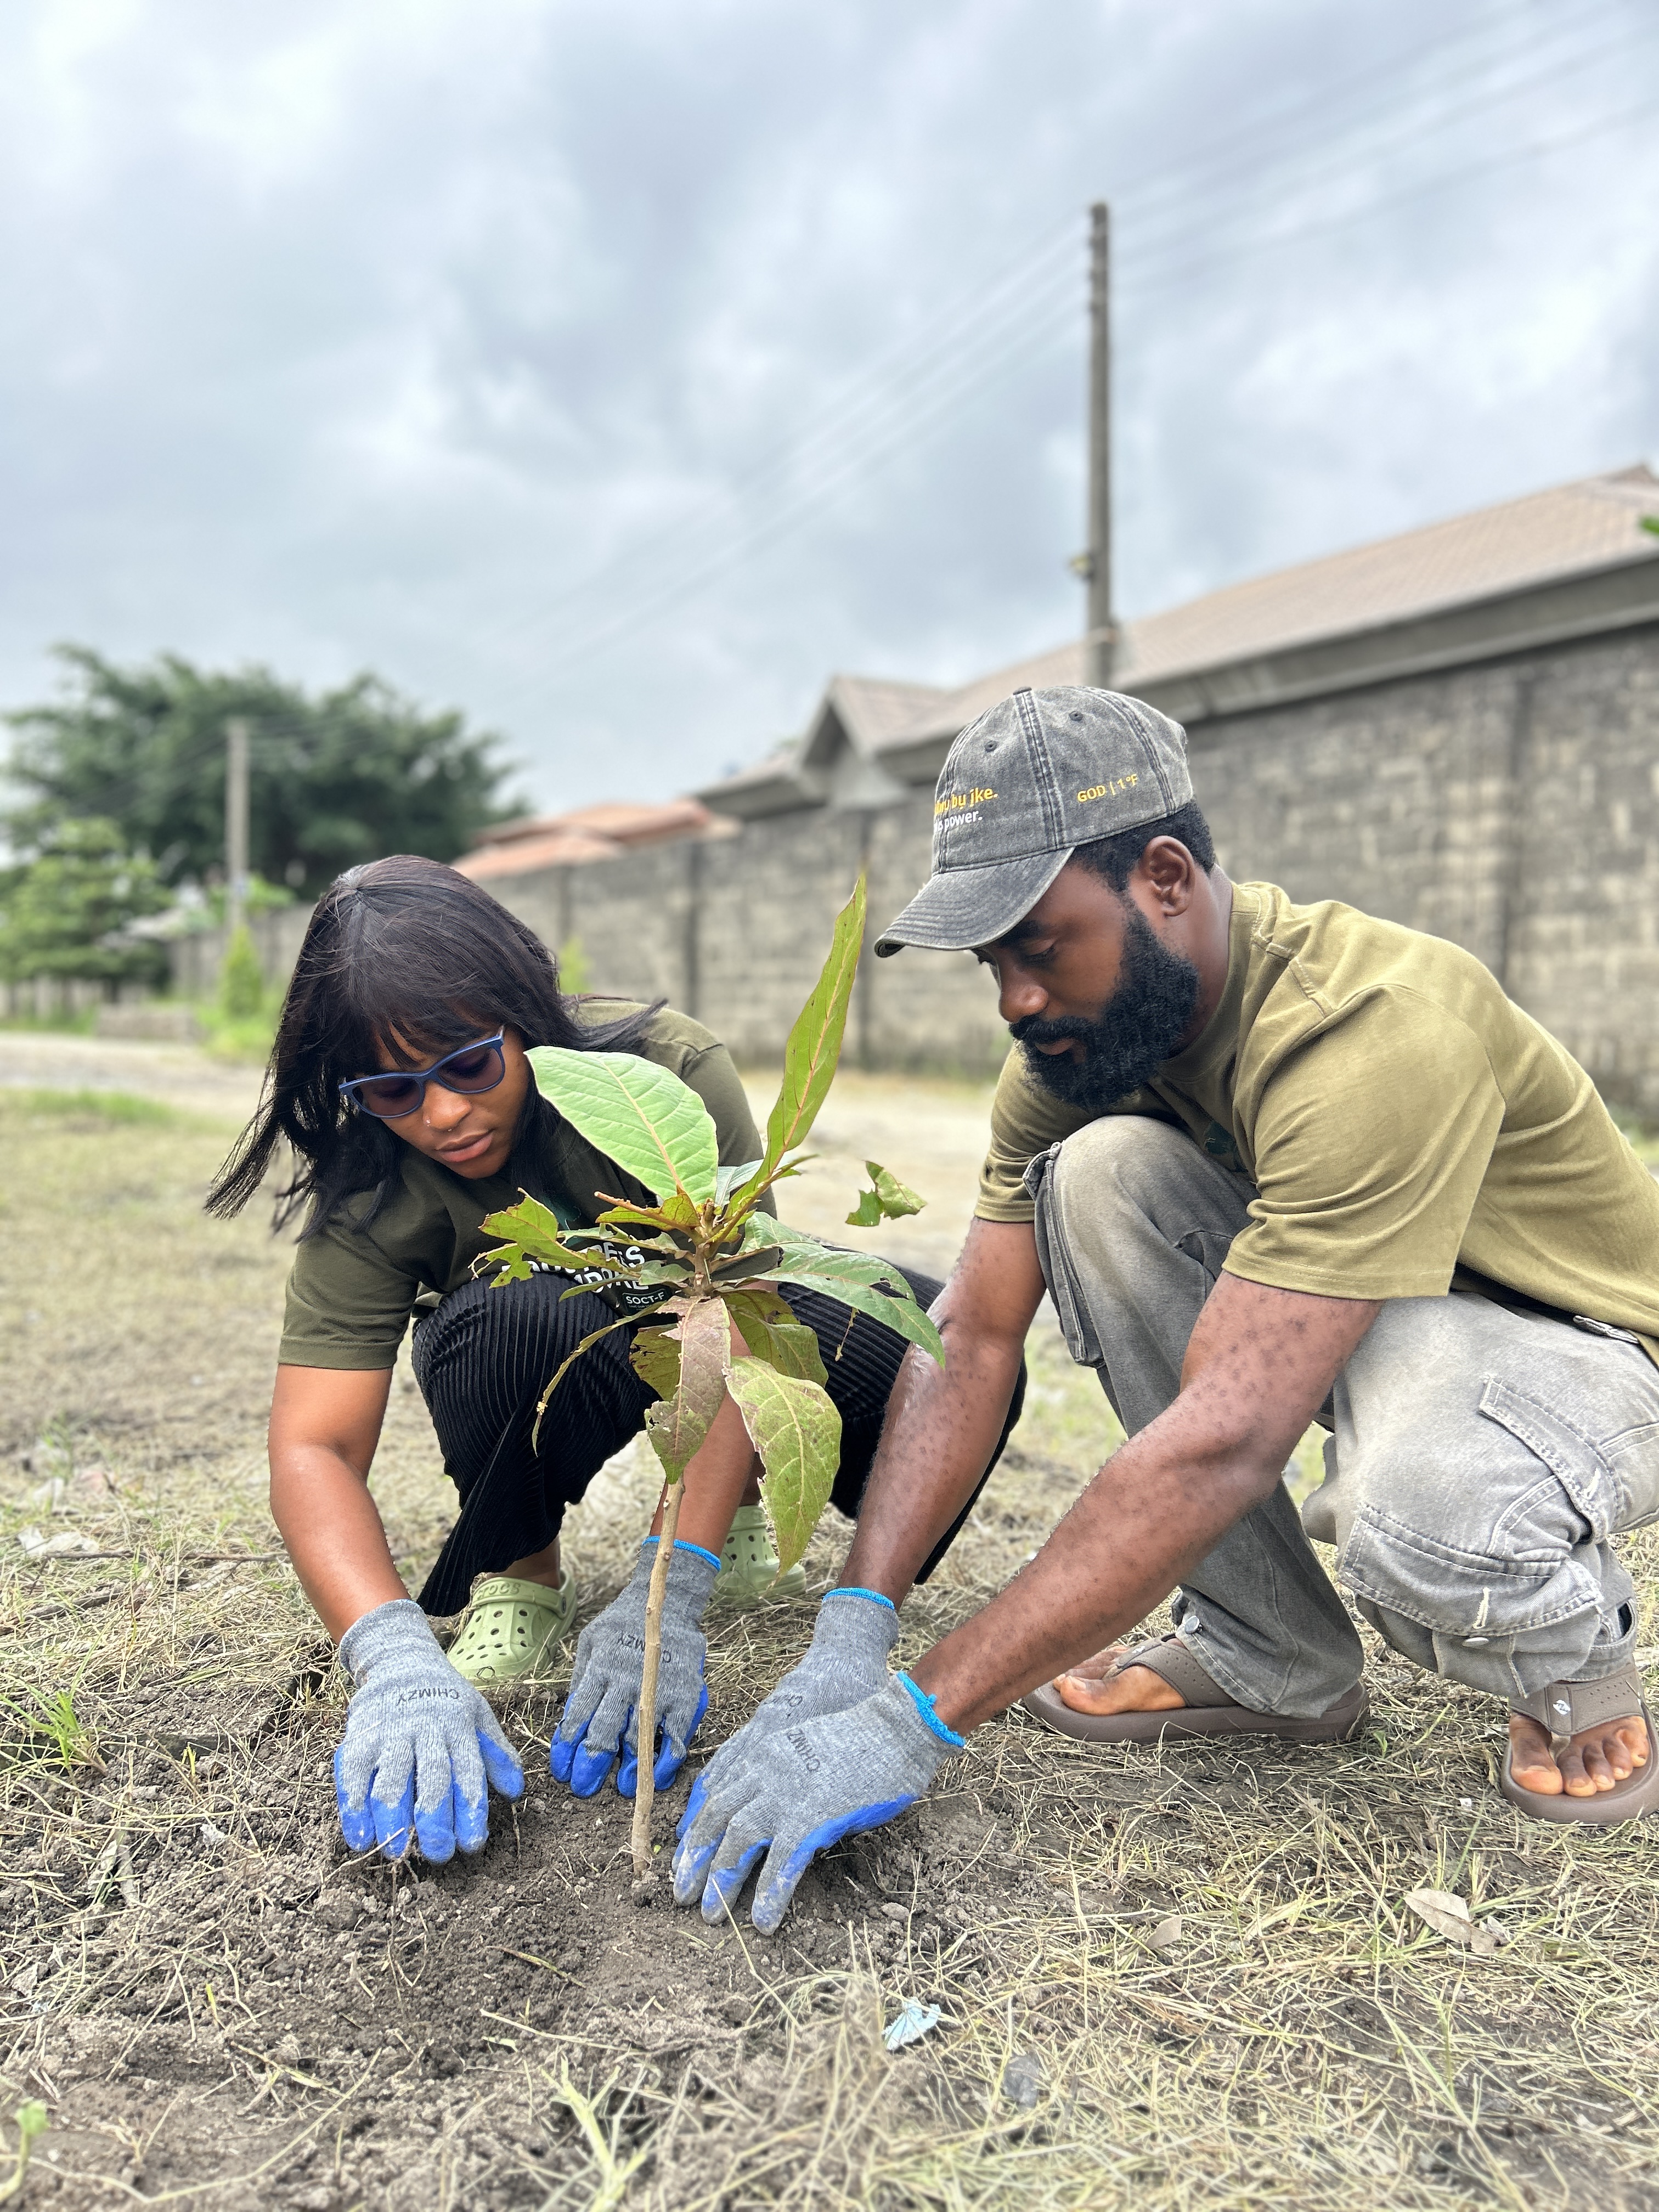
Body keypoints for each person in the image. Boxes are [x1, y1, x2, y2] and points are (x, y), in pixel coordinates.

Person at [672, 683, 1659, 1935]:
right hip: (1362, 1316)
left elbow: (1224, 1439)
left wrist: (912, 1717)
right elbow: (970, 1333)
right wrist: (857, 1627)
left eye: (1042, 945)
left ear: (1166, 877)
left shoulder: (1369, 1030)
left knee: (1432, 1518)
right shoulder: (1082, 1047)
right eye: (993, 963)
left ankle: (1573, 1658)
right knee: (1089, 1174)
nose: (1016, 1000)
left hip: (1580, 1348)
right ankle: (1272, 1660)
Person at [208, 855, 1025, 1865]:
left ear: (523, 1016)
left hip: (717, 1337)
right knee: (510, 1316)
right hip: (548, 1343)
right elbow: (313, 1449)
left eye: (468, 1065)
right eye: (393, 1090)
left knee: (914, 1334)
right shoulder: (375, 1186)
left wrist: (667, 1587)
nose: (444, 1115)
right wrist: (389, 1658)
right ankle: (524, 1575)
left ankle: (733, 1522)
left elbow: (738, 1317)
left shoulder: (660, 1077)